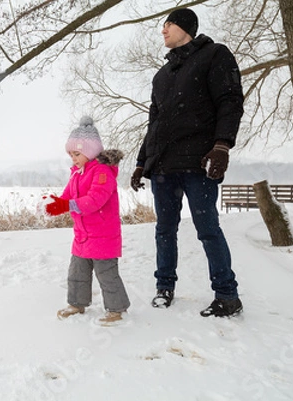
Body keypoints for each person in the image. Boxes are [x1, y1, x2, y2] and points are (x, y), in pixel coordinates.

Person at [130, 8, 244, 317]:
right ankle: (164, 287)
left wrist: (222, 145)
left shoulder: (215, 55)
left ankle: (227, 295)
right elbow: (154, 123)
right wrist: (142, 162)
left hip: (199, 163)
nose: (163, 30)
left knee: (207, 229)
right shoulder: (161, 75)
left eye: (168, 24)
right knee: (164, 230)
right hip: (164, 167)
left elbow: (230, 101)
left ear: (185, 27)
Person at [44, 116, 130, 325]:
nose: (73, 158)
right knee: (77, 272)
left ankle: (116, 309)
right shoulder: (76, 173)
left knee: (106, 274)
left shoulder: (102, 172)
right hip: (82, 235)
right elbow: (67, 197)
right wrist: (53, 204)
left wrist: (68, 205)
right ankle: (76, 303)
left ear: (91, 151)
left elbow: (95, 201)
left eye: (77, 153)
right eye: (71, 154)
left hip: (102, 235)